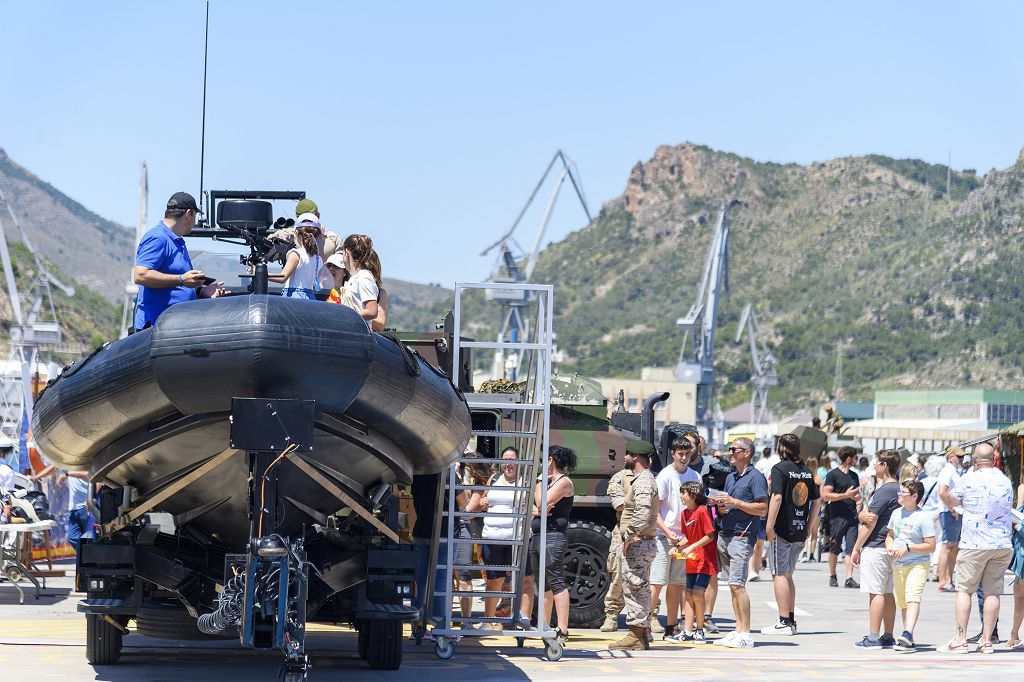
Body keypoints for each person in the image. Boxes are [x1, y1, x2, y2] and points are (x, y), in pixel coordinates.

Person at [939, 443, 1014, 654]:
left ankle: (961, 639)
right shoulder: (1005, 480)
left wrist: (950, 505)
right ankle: (987, 640)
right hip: (1001, 544)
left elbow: (948, 496)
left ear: (974, 461)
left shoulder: (969, 478)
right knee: (992, 593)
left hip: (974, 544)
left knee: (964, 590)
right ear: (994, 459)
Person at [133, 192, 226, 329]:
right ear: (189, 214)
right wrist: (182, 279)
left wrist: (200, 290)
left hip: (175, 325)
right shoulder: (157, 238)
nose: (194, 222)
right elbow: (140, 275)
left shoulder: (178, 241)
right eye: (195, 216)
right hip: (156, 327)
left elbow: (177, 283)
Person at [712, 436, 769, 649]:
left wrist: (734, 502)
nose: (730, 453)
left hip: (742, 536)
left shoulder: (756, 478)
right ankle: (738, 631)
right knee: (733, 585)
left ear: (747, 453)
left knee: (738, 584)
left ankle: (746, 634)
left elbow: (762, 508)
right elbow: (733, 504)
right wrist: (722, 507)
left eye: (734, 449)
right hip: (726, 533)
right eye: (729, 449)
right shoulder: (732, 477)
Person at [761, 433, 820, 637]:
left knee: (778, 574)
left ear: (781, 449)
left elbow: (776, 497)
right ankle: (790, 620)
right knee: (787, 575)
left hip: (782, 530)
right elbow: (817, 501)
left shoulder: (780, 469)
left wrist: (769, 527)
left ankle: (784, 621)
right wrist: (809, 527)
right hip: (799, 530)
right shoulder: (805, 471)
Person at [520, 445, 576, 644]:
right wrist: (539, 507)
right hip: (538, 535)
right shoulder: (549, 482)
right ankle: (544, 624)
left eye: (545, 459)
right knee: (541, 582)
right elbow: (533, 507)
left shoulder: (563, 482)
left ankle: (563, 628)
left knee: (556, 580)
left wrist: (539, 483)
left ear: (551, 460)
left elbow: (541, 503)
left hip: (552, 536)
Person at [609, 441, 659, 651]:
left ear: (637, 457)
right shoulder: (642, 479)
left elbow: (641, 514)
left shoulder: (643, 482)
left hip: (638, 543)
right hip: (640, 542)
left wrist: (629, 536)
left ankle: (636, 636)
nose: (625, 458)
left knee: (635, 588)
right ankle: (640, 633)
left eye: (628, 454)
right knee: (638, 587)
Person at [651, 437, 701, 638]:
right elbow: (654, 510)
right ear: (673, 453)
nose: (684, 457)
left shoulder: (695, 476)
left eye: (687, 453)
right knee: (656, 582)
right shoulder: (665, 476)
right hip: (664, 536)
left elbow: (698, 506)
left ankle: (671, 626)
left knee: (676, 584)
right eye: (680, 453)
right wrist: (666, 530)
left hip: (685, 539)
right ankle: (643, 626)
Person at [851, 449, 902, 649]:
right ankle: (888, 635)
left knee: (876, 592)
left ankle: (873, 636)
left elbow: (870, 521)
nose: (875, 467)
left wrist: (856, 547)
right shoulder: (898, 490)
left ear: (884, 466)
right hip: (892, 547)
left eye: (877, 463)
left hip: (876, 546)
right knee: (889, 593)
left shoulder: (884, 491)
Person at [885, 478, 936, 653]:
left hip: (918, 564)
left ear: (914, 496)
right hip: (898, 564)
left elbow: (931, 546)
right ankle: (909, 639)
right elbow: (890, 535)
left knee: (913, 596)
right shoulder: (896, 514)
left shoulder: (923, 518)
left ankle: (907, 632)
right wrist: (890, 547)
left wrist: (909, 547)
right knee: (903, 602)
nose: (899, 495)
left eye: (903, 493)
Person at [670, 481, 718, 644]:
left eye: (683, 493)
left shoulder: (702, 511)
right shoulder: (684, 514)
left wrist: (691, 547)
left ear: (693, 495)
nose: (681, 496)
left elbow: (709, 535)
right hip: (692, 561)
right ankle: (688, 631)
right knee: (688, 594)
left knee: (698, 594)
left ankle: (699, 630)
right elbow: (688, 537)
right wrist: (677, 546)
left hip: (705, 560)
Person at [481, 447, 522, 621]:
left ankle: (518, 618)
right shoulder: (494, 478)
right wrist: (482, 502)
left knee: (520, 580)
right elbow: (483, 500)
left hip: (516, 539)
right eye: (505, 460)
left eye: (511, 460)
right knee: (494, 581)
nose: (508, 464)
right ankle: (488, 620)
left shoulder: (524, 480)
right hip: (492, 538)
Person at [600, 449, 636, 632]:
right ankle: (612, 615)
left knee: (648, 578)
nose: (628, 457)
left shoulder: (650, 479)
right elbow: (620, 505)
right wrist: (644, 504)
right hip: (623, 531)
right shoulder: (619, 478)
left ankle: (650, 615)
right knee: (618, 574)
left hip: (646, 532)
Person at [452, 461, 488, 624]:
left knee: (463, 574)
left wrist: (461, 480)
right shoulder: (448, 474)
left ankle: (465, 621)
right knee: (444, 575)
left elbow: (467, 509)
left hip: (463, 526)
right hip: (449, 524)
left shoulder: (474, 483)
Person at [823, 446, 862, 588]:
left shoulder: (854, 476)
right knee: (834, 548)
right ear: (848, 458)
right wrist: (845, 495)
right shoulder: (832, 475)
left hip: (852, 517)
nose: (857, 460)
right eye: (855, 457)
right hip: (836, 517)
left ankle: (849, 578)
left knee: (850, 548)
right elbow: (826, 495)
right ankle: (832, 575)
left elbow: (856, 496)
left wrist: (859, 501)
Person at [268, 213, 324, 299]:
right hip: (310, 298)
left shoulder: (296, 254)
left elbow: (282, 278)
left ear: (296, 232)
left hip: (294, 299)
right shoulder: (318, 258)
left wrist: (260, 274)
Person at [936, 445, 966, 592]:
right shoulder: (948, 470)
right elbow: (942, 492)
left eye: (962, 457)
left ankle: (948, 580)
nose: (961, 459)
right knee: (947, 546)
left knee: (953, 547)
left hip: (953, 511)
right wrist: (951, 509)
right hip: (950, 512)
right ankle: (943, 581)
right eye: (958, 456)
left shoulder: (953, 470)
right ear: (951, 457)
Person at [337, 234, 380, 328]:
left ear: (346, 252)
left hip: (360, 335)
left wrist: (345, 317)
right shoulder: (354, 279)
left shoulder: (364, 278)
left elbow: (372, 311)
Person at [799, 455, 824, 563]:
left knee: (805, 531)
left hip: (804, 506)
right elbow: (822, 495)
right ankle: (812, 555)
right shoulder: (819, 479)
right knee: (814, 533)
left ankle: (804, 552)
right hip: (816, 507)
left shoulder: (803, 477)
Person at [61, 470, 93, 554]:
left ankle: (88, 558)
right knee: (72, 537)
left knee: (88, 536)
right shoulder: (70, 465)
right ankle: (85, 555)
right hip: (73, 508)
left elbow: (88, 473)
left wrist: (68, 474)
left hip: (85, 507)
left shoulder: (85, 464)